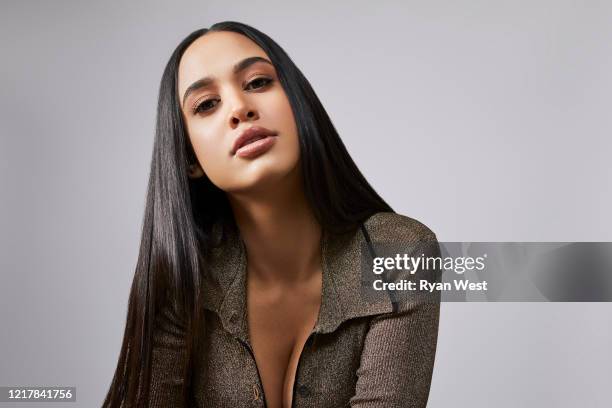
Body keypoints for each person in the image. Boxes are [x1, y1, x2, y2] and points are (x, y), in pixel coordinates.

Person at [103, 21, 441, 408]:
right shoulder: (179, 274)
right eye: (206, 104)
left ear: (299, 105)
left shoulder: (404, 254)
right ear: (190, 159)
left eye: (258, 82)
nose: (240, 108)